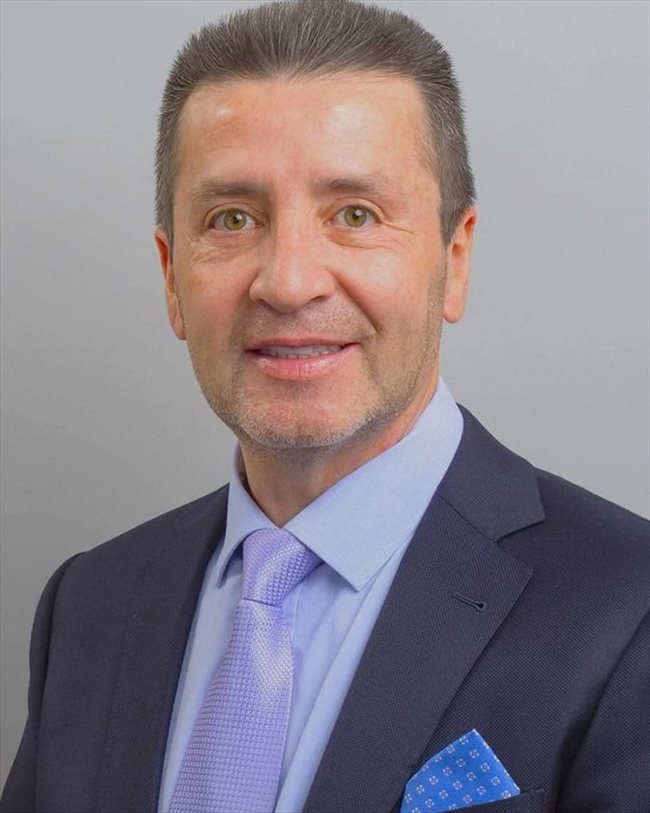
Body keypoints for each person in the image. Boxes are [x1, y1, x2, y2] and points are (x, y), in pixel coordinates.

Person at [1, 1, 648, 811]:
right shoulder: (89, 605)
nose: (289, 281)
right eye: (232, 219)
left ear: (454, 258)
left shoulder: (629, 610)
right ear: (171, 277)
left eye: (354, 214)